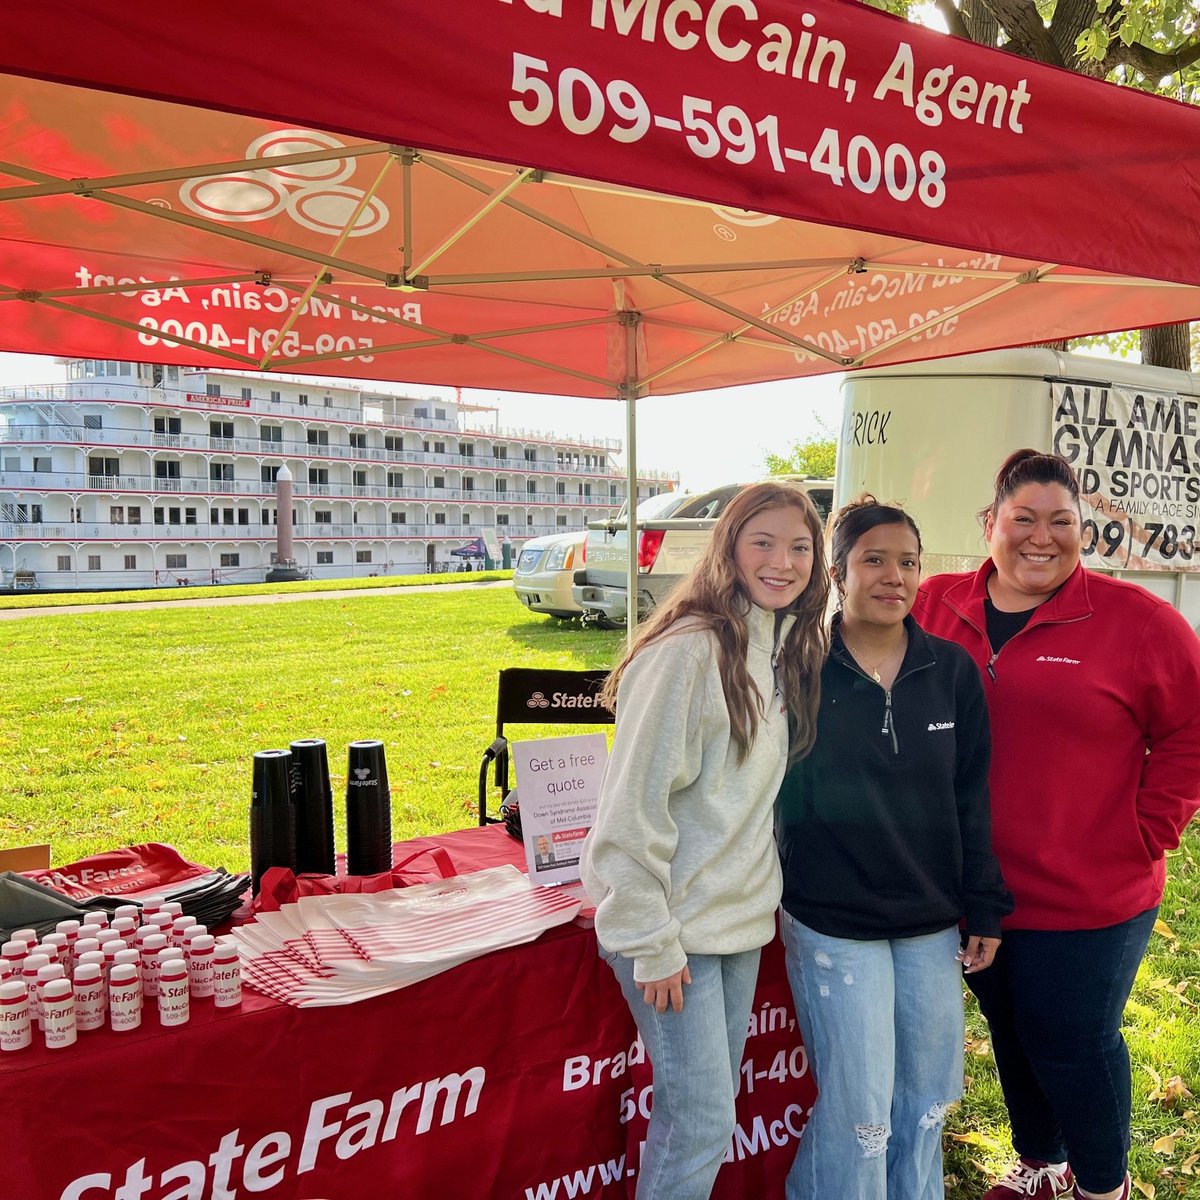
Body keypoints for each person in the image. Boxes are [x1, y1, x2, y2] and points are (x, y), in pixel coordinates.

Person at [914, 449, 1200, 1200]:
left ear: (1083, 534)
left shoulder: (1138, 622)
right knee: (1012, 1034)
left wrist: (1147, 831)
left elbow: (1190, 732)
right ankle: (1041, 1164)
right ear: (990, 524)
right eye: (1023, 520)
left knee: (1073, 1043)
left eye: (1061, 522)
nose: (1041, 538)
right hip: (974, 887)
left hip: (1091, 893)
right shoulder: (934, 604)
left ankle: (1103, 1187)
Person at [580, 480, 829, 1200]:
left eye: (799, 547)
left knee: (711, 1120)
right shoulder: (689, 652)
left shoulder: (783, 646)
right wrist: (650, 938)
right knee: (697, 1120)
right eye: (763, 542)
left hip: (736, 925)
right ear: (727, 547)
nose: (781, 561)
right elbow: (628, 812)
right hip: (671, 930)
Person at [776, 497, 1012, 1200]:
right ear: (838, 571)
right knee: (859, 1118)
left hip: (930, 922)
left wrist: (986, 908)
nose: (894, 576)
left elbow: (971, 798)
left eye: (907, 561)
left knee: (926, 1104)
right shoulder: (797, 668)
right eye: (873, 560)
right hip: (831, 922)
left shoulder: (952, 671)